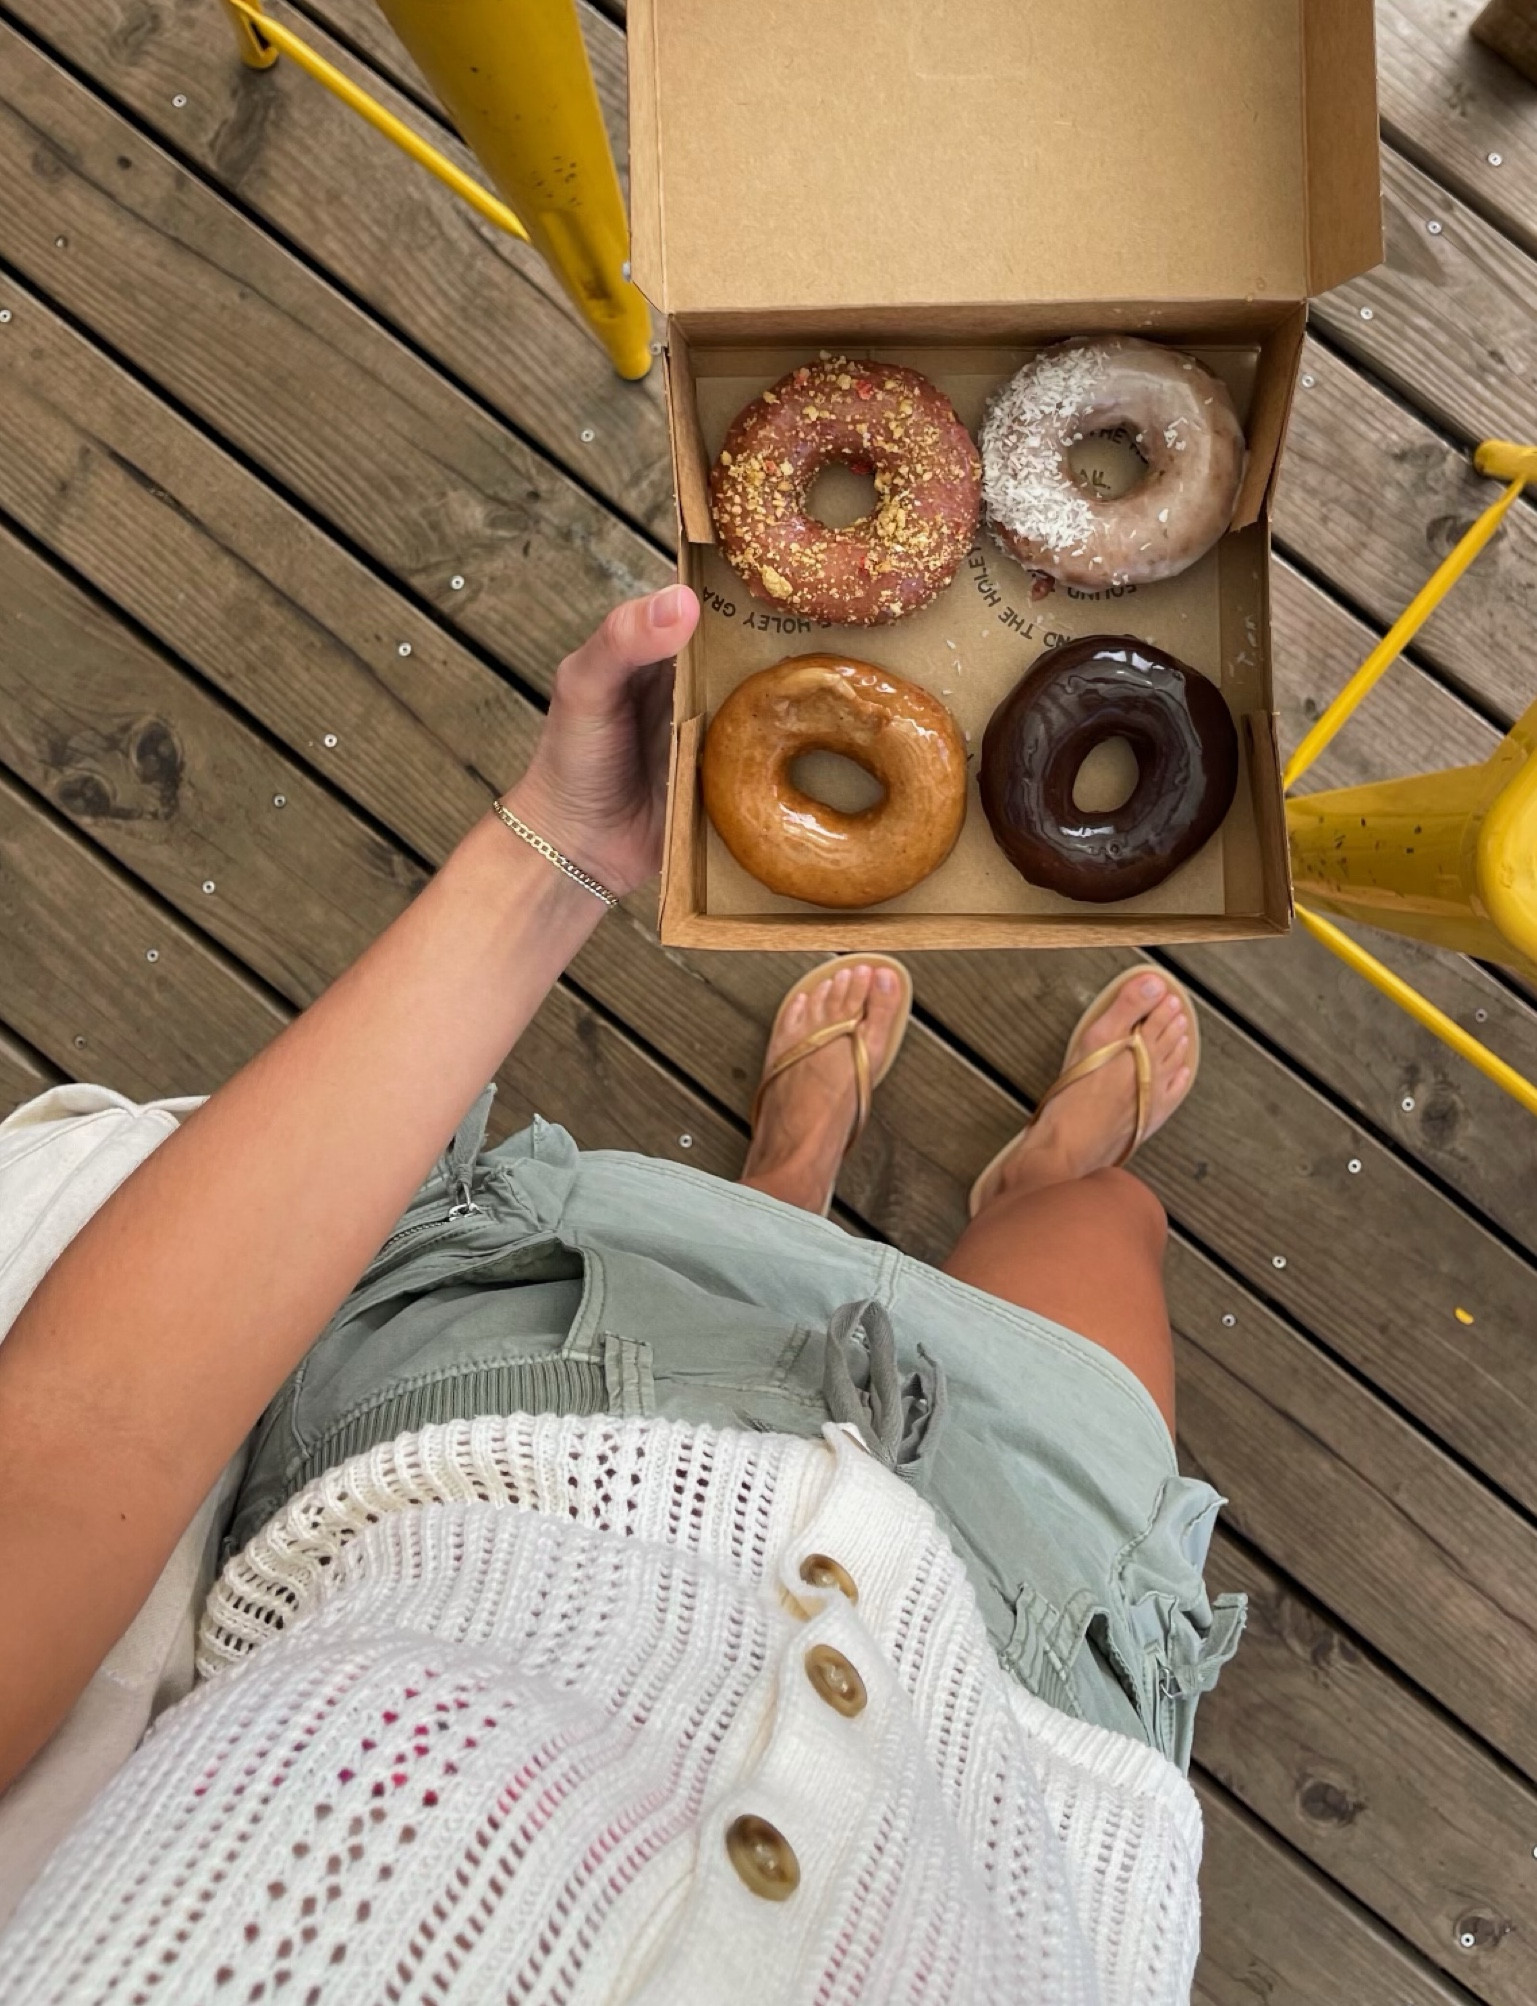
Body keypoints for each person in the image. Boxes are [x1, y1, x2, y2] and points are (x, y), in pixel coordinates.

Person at [0, 585, 1242, 2003]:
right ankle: (1025, 1175)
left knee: (732, 1245)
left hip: (501, 1416)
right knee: (1104, 1223)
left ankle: (789, 1165)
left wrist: (555, 854)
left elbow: (77, 1433)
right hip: (1022, 1677)